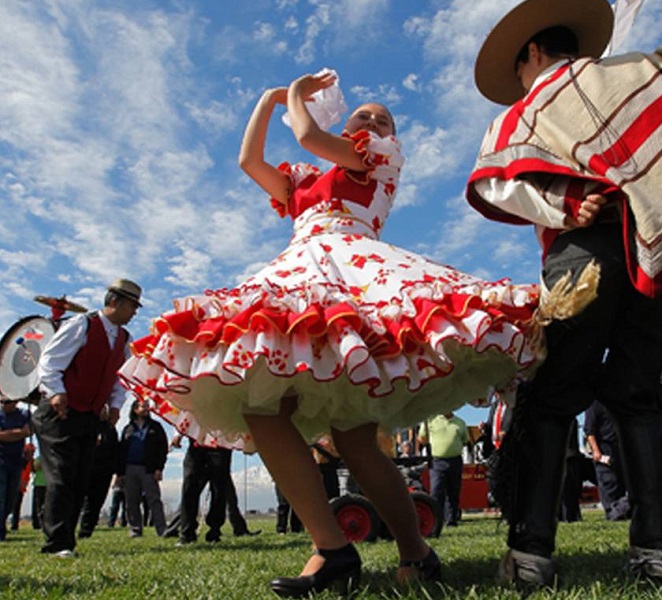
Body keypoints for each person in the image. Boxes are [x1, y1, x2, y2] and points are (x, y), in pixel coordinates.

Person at [118, 70, 539, 597]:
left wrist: (294, 92)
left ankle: (415, 550)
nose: (371, 120)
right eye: (363, 114)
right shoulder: (306, 179)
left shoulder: (378, 156)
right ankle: (333, 548)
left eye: (381, 117)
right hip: (301, 271)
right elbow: (250, 163)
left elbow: (309, 137)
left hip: (356, 270)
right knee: (265, 408)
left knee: (357, 444)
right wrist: (270, 99)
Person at [465, 0, 662, 586]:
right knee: (638, 394)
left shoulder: (528, 109)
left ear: (532, 51)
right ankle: (658, 551)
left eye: (519, 70)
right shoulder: (635, 71)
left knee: (553, 394)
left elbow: (496, 182)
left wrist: (563, 204)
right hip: (652, 252)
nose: (520, 83)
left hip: (579, 261)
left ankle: (532, 555)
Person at [34, 278, 140, 557]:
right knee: (61, 473)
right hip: (59, 412)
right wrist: (56, 392)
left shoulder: (124, 340)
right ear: (114, 302)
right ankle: (57, 543)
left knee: (81, 477)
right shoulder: (82, 325)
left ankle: (66, 539)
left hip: (89, 416)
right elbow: (50, 362)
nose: (135, 312)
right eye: (132, 305)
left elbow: (119, 379)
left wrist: (116, 405)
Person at [117, 397, 168, 537]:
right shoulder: (128, 429)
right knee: (131, 501)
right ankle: (135, 529)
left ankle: (162, 529)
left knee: (154, 500)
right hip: (130, 469)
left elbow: (162, 449)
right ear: (135, 409)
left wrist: (159, 468)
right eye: (142, 406)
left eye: (147, 406)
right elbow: (121, 451)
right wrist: (120, 473)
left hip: (149, 470)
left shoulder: (156, 427)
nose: (146, 408)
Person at [420, 412, 469, 528]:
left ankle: (451, 520)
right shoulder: (430, 420)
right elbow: (422, 438)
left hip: (455, 460)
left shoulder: (460, 422)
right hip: (437, 461)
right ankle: (436, 520)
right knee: (436, 491)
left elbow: (464, 440)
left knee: (453, 491)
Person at [583, 399, 629, 521]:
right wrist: (596, 451)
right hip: (604, 447)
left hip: (621, 447)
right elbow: (589, 430)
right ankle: (613, 514)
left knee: (623, 483)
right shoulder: (595, 404)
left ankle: (621, 512)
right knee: (609, 483)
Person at [77, 408, 119, 538]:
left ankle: (86, 530)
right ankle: (68, 527)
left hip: (104, 470)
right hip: (84, 467)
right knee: (77, 499)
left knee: (96, 501)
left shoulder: (110, 429)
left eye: (105, 409)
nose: (104, 412)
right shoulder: (86, 424)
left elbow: (115, 450)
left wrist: (117, 472)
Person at [0, 397, 33, 541]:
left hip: (17, 462)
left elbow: (29, 431)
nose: (3, 405)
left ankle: (2, 523)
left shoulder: (25, 414)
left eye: (6, 402)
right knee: (0, 496)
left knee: (11, 498)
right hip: (1, 461)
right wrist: (20, 433)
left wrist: (7, 435)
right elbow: (23, 432)